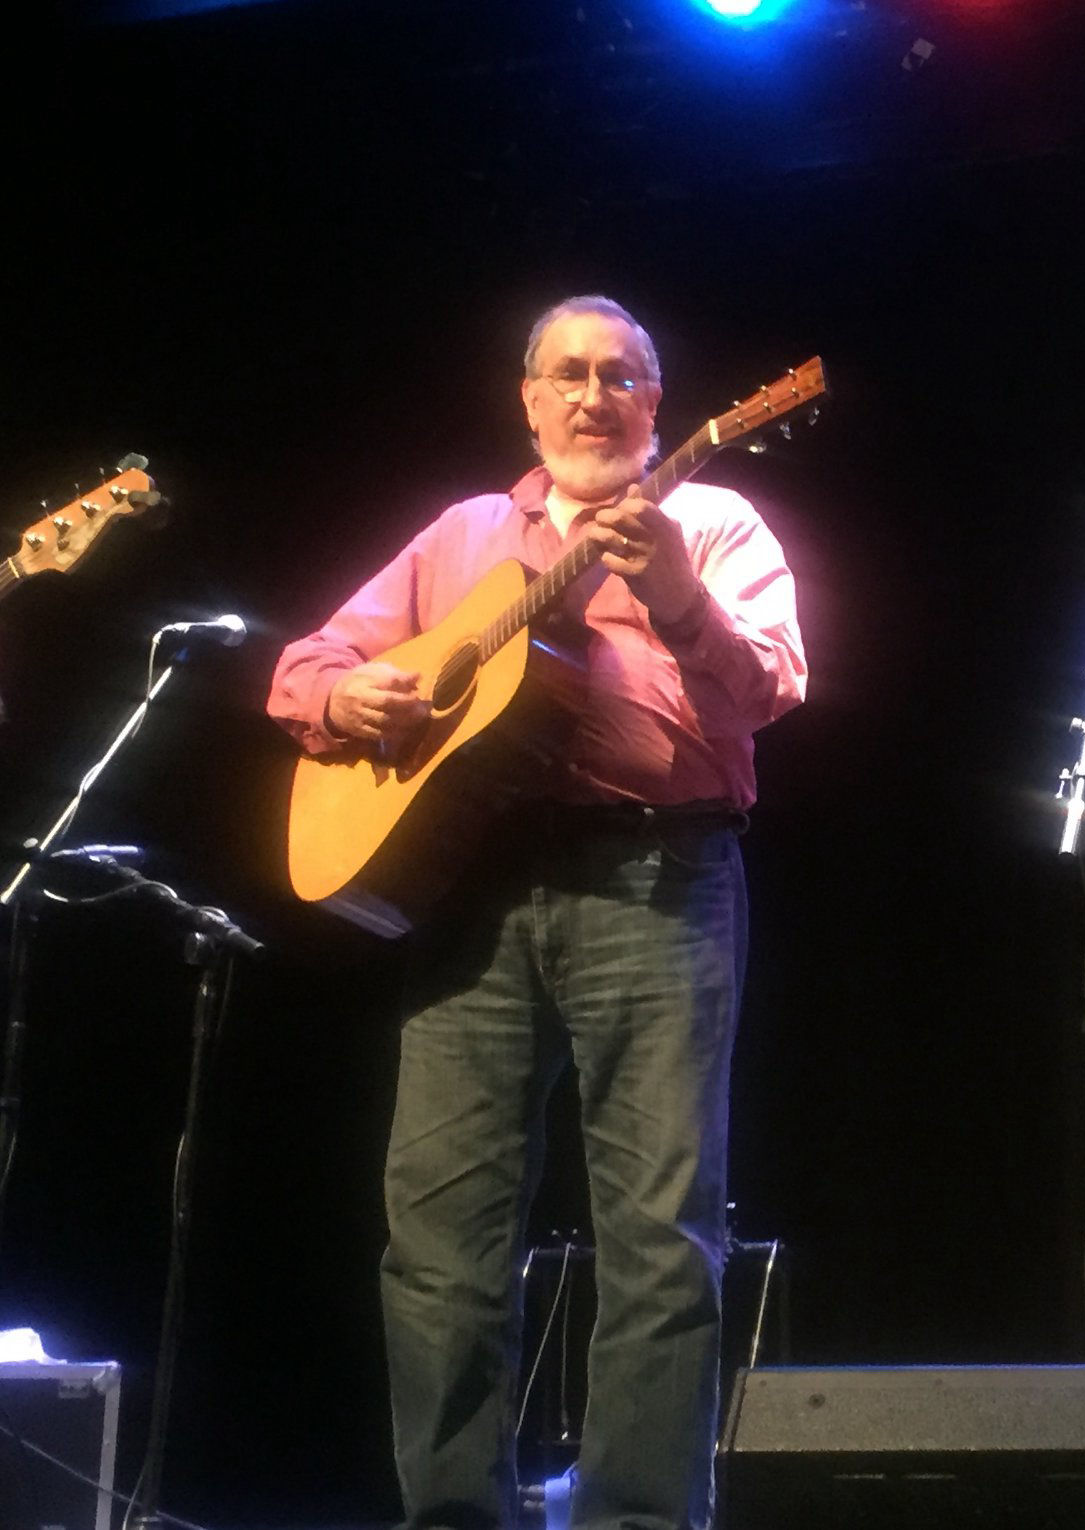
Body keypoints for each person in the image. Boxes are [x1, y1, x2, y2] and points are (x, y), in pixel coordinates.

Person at [267, 294, 807, 1530]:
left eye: (619, 375)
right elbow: (305, 665)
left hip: (656, 880)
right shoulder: (462, 535)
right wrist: (347, 705)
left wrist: (677, 596)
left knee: (660, 1239)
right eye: (566, 373)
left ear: (658, 404)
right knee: (437, 1240)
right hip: (478, 897)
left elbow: (772, 686)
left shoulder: (713, 519)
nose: (590, 395)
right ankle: (456, 1513)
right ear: (528, 397)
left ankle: (636, 1518)